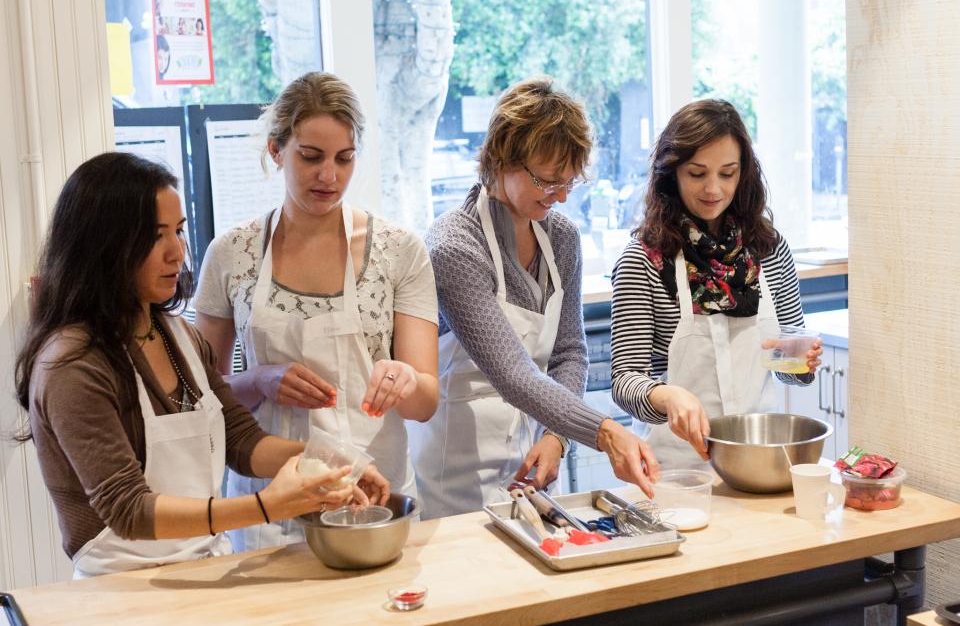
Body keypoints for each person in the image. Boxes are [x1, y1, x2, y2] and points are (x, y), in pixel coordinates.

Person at [15, 152, 389, 578]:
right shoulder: (72, 364)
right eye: (155, 237)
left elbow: (241, 441)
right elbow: (127, 508)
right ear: (103, 246)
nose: (177, 253)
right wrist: (267, 506)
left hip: (205, 567)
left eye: (178, 231)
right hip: (119, 588)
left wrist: (338, 462)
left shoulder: (181, 336)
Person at [194, 72, 439, 550]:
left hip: (370, 493)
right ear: (276, 151)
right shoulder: (231, 254)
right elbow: (205, 399)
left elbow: (426, 403)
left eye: (344, 160)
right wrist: (260, 379)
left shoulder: (398, 250)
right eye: (311, 157)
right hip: (271, 500)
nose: (329, 176)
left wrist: (403, 380)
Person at [410, 77, 661, 520]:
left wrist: (556, 439)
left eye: (569, 182)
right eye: (547, 181)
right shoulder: (455, 248)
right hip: (456, 477)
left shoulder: (561, 238)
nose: (561, 196)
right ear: (501, 158)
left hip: (534, 467)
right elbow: (514, 374)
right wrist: (601, 431)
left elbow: (569, 353)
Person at [610, 99, 823, 470]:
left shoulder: (767, 250)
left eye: (727, 173)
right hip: (673, 470)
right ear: (671, 172)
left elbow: (787, 365)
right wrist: (666, 396)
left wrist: (799, 361)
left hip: (759, 461)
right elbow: (625, 380)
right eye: (697, 173)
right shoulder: (644, 260)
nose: (713, 189)